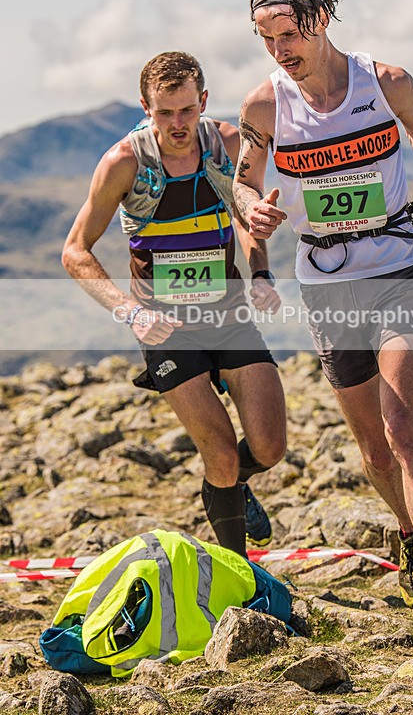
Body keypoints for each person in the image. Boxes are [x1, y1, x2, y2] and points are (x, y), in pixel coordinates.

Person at [232, 0, 413, 641]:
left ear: (319, 19)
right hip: (327, 286)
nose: (281, 50)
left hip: (398, 264)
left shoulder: (387, 81)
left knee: (404, 427)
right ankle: (406, 529)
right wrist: (252, 213)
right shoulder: (264, 105)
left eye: (289, 34)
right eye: (267, 39)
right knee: (373, 449)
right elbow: (241, 181)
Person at [62, 51, 287, 558]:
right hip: (166, 330)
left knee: (270, 447)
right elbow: (75, 252)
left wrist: (262, 274)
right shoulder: (124, 162)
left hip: (228, 318)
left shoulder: (228, 144)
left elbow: (248, 216)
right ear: (146, 108)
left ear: (203, 101)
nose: (178, 124)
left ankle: (224, 488)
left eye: (187, 110)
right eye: (165, 114)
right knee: (223, 454)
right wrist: (131, 311)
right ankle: (238, 577)